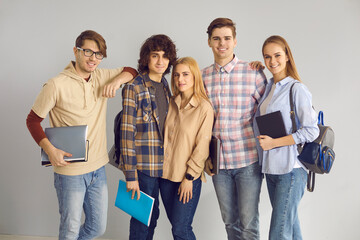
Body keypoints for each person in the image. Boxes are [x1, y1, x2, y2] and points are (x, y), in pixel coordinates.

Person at [26, 30, 137, 239]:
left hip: (98, 168)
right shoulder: (55, 84)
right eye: (88, 52)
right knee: (70, 229)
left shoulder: (101, 76)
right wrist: (50, 150)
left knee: (97, 227)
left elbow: (132, 71)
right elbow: (32, 120)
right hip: (70, 171)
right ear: (76, 51)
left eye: (98, 54)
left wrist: (115, 82)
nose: (93, 59)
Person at [202, 18, 267, 240]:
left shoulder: (253, 72)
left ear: (235, 41)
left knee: (248, 223)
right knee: (230, 221)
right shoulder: (202, 77)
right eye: (217, 38)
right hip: (219, 163)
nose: (222, 43)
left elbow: (267, 111)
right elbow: (200, 123)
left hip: (248, 160)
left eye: (227, 38)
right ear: (209, 42)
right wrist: (204, 157)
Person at [253, 35, 319, 240]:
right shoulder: (270, 88)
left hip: (291, 170)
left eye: (277, 55)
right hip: (271, 169)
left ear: (287, 56)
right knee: (291, 227)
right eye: (267, 57)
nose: (272, 61)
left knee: (279, 233)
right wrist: (256, 70)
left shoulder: (296, 89)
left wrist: (274, 143)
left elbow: (311, 130)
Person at [119, 34, 177, 239]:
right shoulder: (134, 87)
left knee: (160, 216)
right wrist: (130, 175)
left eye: (164, 56)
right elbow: (126, 133)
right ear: (146, 58)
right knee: (143, 218)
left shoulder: (166, 86)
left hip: (166, 166)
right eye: (155, 56)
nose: (160, 61)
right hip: (143, 168)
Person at [160, 57, 214, 240]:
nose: (180, 79)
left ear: (194, 76)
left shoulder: (204, 108)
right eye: (176, 75)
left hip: (187, 178)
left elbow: (202, 146)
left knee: (181, 229)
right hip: (165, 177)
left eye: (185, 74)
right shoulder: (170, 103)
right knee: (177, 228)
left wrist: (189, 177)